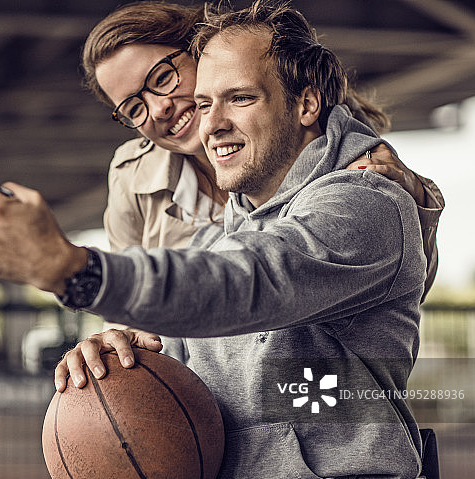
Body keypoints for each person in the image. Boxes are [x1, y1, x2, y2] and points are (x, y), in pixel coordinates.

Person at [0, 1, 428, 479]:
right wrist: (119, 358)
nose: (211, 122)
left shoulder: (363, 199)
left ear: (306, 104)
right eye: (205, 103)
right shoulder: (208, 231)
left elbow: (246, 284)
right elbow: (180, 318)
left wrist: (71, 269)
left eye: (239, 98)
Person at [82, 1, 443, 299]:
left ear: (204, 53)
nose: (159, 109)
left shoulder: (348, 160)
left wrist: (417, 203)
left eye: (162, 78)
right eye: (134, 108)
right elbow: (131, 311)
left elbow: (400, 285)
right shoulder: (131, 176)